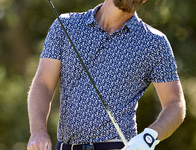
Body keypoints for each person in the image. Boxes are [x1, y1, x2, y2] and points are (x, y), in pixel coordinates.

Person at [27, 0, 186, 150]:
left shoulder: (154, 43)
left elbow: (175, 102)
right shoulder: (66, 25)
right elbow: (44, 83)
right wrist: (38, 130)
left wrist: (149, 136)